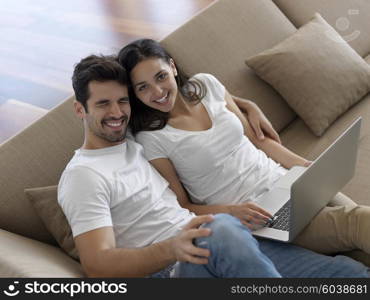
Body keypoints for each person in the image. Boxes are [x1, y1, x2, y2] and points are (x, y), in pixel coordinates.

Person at [57, 54, 369, 278]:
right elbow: (98, 265)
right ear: (79, 110)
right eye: (102, 104)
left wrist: (247, 105)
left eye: (122, 101)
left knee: (349, 274)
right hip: (175, 266)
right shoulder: (83, 176)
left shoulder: (133, 139)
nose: (115, 112)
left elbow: (203, 99)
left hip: (225, 241)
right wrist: (173, 247)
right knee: (220, 227)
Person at [117, 38, 370, 258]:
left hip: (287, 181)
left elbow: (258, 141)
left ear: (172, 66)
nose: (158, 91)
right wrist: (231, 212)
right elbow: (182, 205)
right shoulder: (152, 139)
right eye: (143, 87)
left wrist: (306, 166)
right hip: (262, 217)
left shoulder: (206, 85)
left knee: (359, 236)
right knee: (358, 221)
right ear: (134, 94)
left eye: (160, 76)